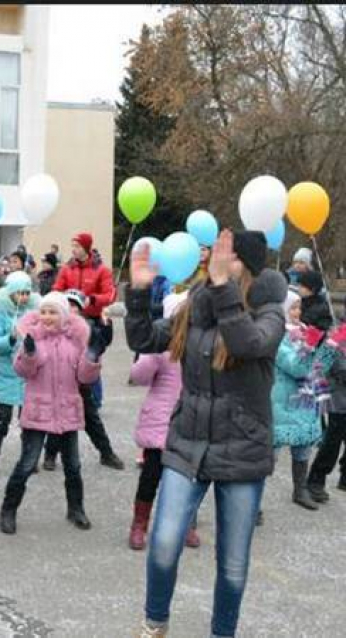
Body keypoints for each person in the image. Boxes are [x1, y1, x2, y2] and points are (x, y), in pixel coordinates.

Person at [126, 229, 287, 638]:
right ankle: (154, 624)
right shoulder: (195, 306)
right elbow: (145, 339)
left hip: (243, 449)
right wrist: (140, 294)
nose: (214, 262)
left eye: (225, 257)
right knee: (163, 543)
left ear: (244, 267)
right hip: (187, 443)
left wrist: (220, 290)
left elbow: (247, 344)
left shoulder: (270, 311)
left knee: (232, 562)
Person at [0, 291, 101, 534]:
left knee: (73, 466)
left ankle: (76, 508)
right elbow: (23, 371)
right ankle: (8, 509)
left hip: (67, 412)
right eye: (43, 311)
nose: (47, 316)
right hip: (38, 413)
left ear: (64, 316)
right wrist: (29, 354)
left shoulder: (75, 342)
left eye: (53, 312)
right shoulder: (33, 339)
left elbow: (85, 377)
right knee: (26, 464)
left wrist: (92, 356)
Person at [127, 293, 200, 550]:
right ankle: (139, 523)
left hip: (192, 423)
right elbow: (139, 377)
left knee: (189, 478)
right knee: (151, 476)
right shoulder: (162, 346)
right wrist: (148, 356)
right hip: (161, 423)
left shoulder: (201, 344)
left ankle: (187, 523)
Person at [52, 233, 124, 470]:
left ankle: (106, 452)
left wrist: (90, 301)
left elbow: (109, 294)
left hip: (91, 323)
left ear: (86, 248)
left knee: (89, 409)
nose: (72, 249)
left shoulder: (101, 270)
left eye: (76, 246)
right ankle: (50, 455)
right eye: (71, 245)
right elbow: (55, 291)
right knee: (57, 409)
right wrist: (67, 301)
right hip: (65, 331)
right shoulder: (66, 269)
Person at [269, 290, 336, 514]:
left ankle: (300, 489)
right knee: (271, 453)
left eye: (299, 307)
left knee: (303, 448)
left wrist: (331, 348)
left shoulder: (305, 331)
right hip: (283, 402)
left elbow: (315, 369)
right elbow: (297, 367)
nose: (298, 312)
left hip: (304, 401)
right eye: (293, 307)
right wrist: (309, 348)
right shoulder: (277, 335)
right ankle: (254, 498)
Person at [0, 272, 40, 476]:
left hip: (28, 374)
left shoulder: (35, 311)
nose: (24, 297)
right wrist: (11, 337)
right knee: (2, 418)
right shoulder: (1, 313)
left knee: (28, 419)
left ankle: (29, 457)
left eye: (26, 292)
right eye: (19, 293)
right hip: (7, 373)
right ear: (10, 294)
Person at [307, 315, 346, 504]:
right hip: (339, 396)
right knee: (332, 441)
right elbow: (323, 364)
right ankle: (316, 479)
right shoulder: (337, 334)